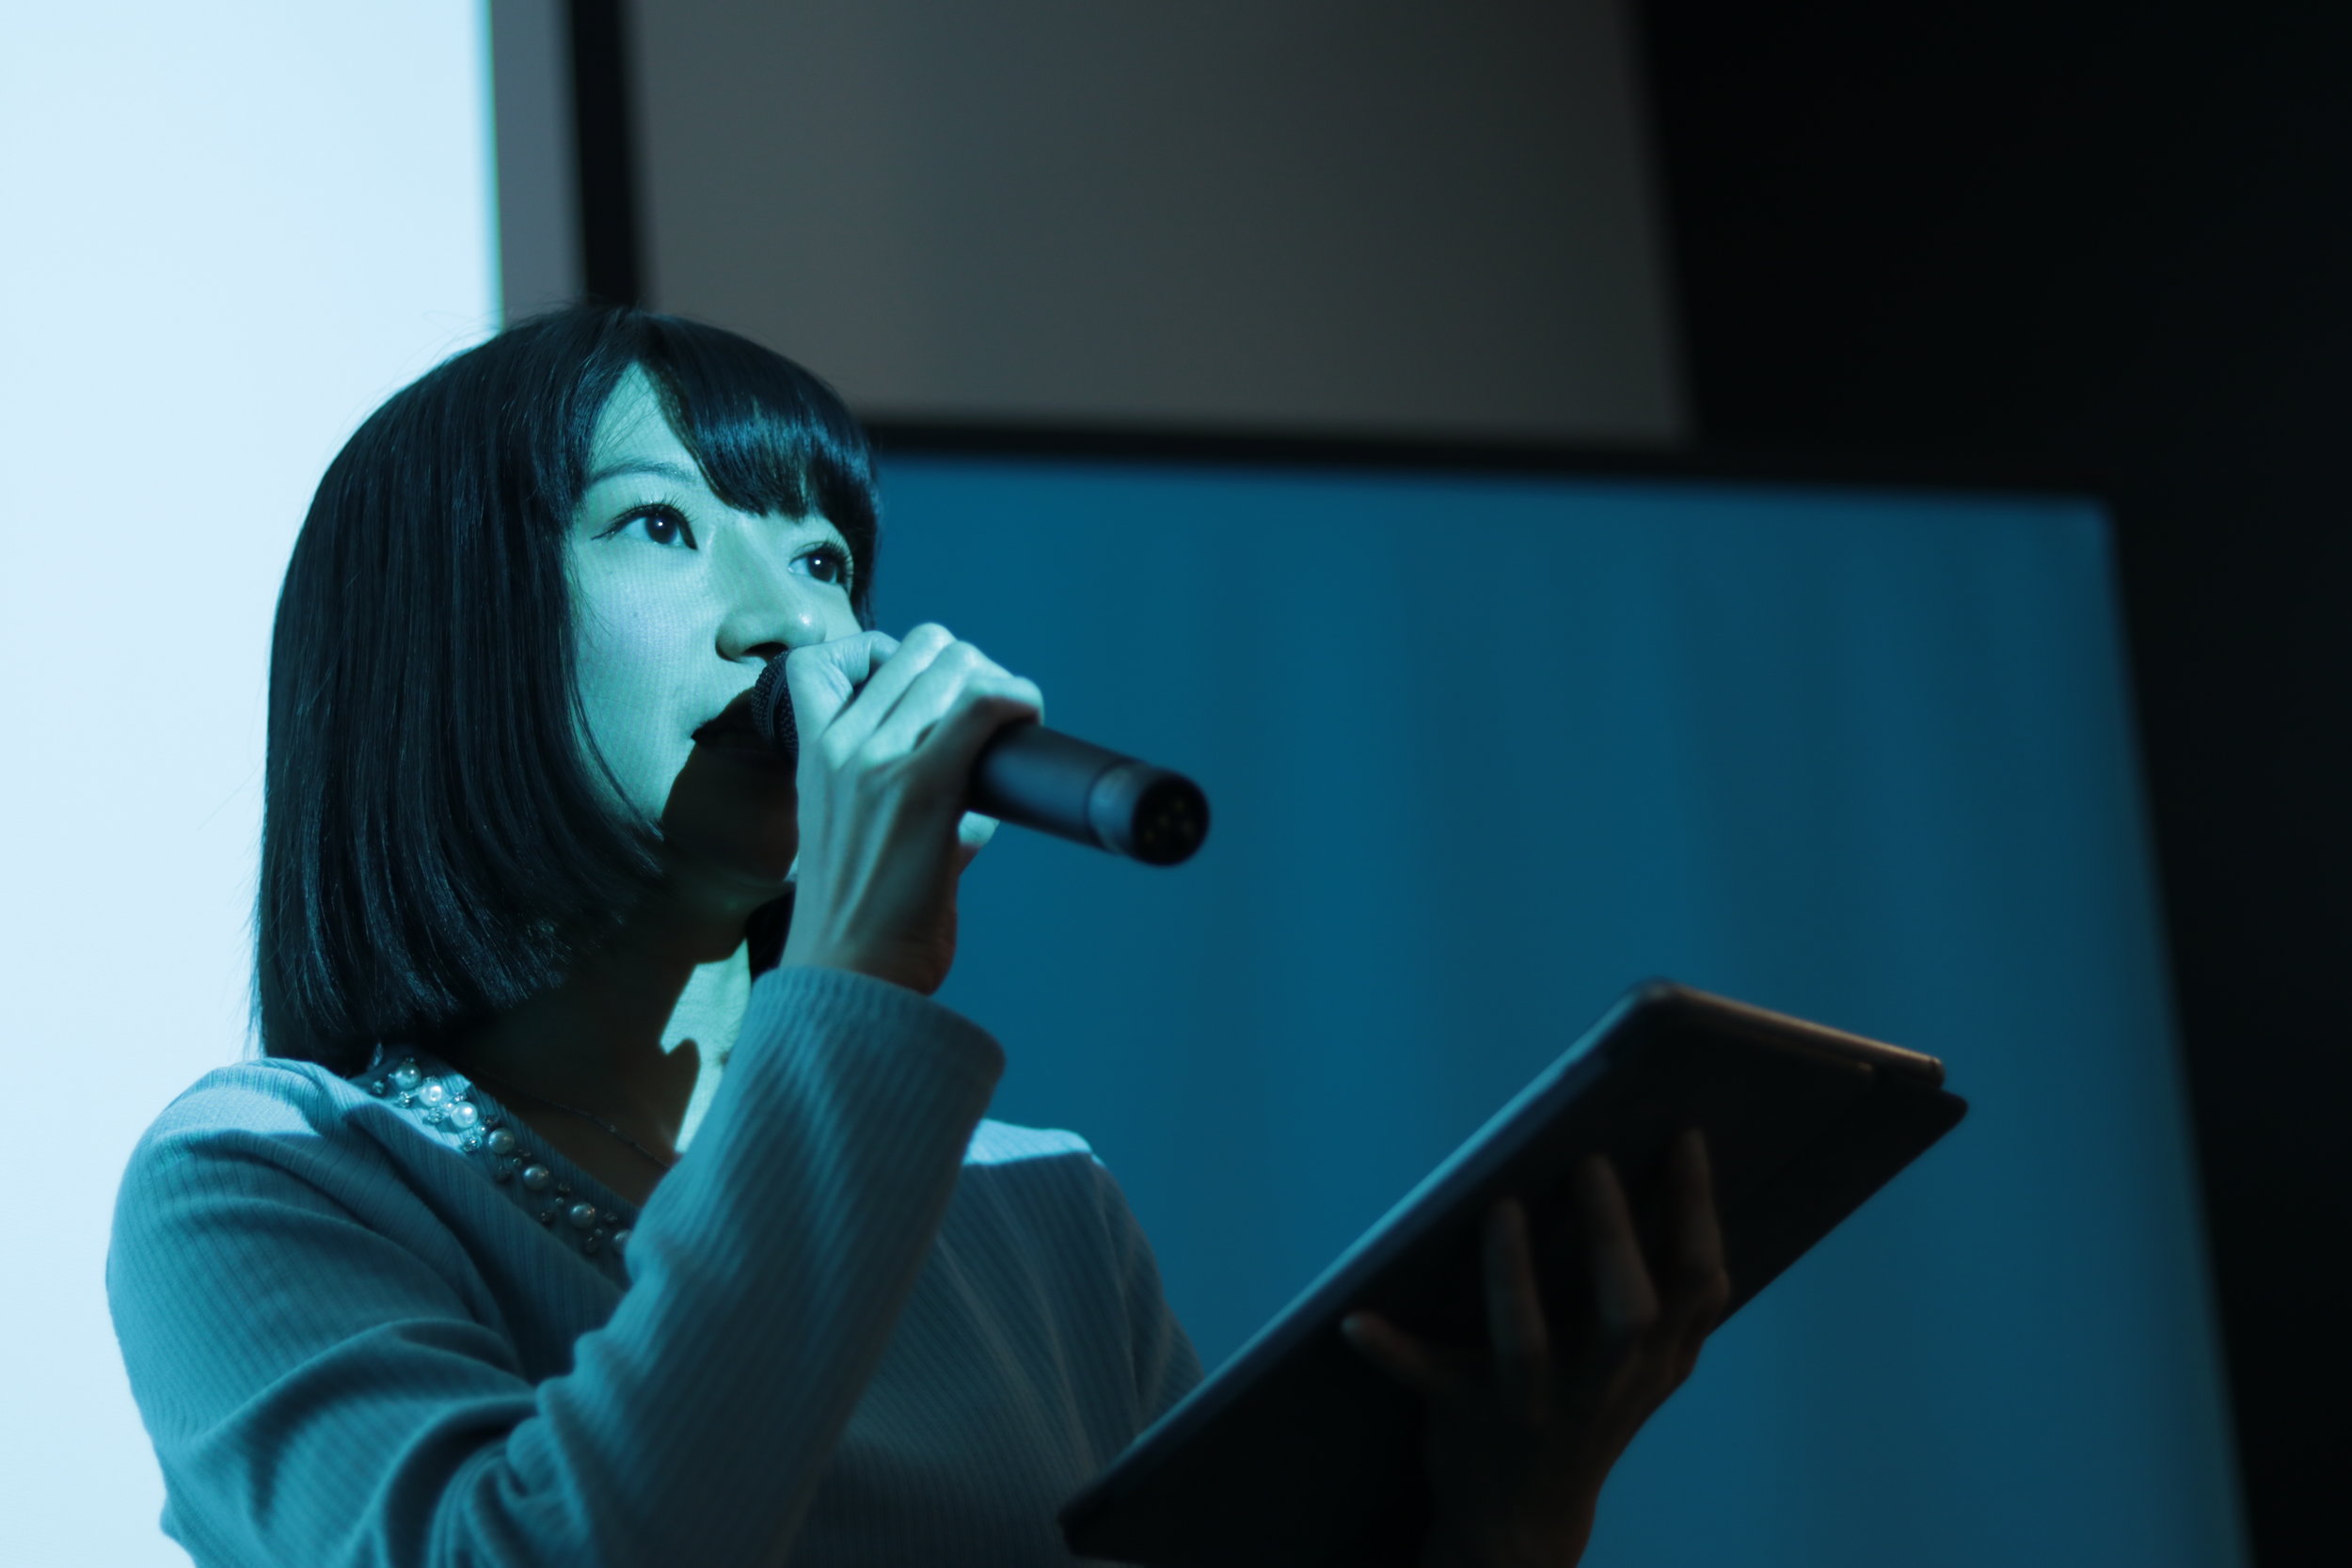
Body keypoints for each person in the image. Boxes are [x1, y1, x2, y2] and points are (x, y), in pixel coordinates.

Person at [105, 303, 1732, 1567]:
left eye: (823, 555)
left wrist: (1506, 1525)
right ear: (444, 630)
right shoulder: (275, 1179)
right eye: (663, 527)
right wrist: (861, 966)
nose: (793, 620)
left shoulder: (1039, 1209)